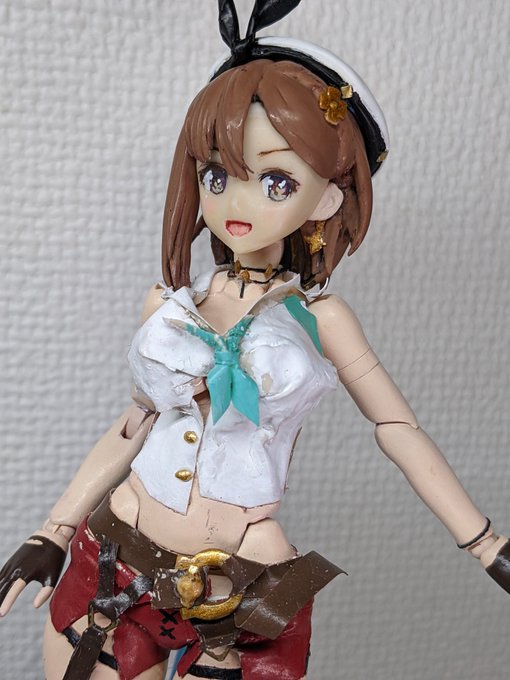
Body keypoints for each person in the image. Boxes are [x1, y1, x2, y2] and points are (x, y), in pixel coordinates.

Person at [0, 2, 509, 679]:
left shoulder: (320, 320)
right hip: (116, 561)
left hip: (236, 592)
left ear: (327, 199)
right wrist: (54, 531)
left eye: (275, 181)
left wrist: (486, 544)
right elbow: (135, 423)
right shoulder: (169, 305)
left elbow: (396, 428)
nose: (237, 203)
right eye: (217, 176)